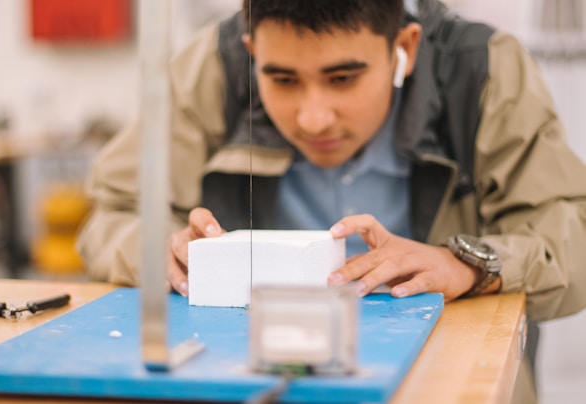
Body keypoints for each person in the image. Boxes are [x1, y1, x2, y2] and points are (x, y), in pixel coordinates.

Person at [77, 0, 586, 402]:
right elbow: (113, 215)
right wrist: (163, 254)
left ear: (404, 47)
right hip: (248, 374)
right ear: (253, 51)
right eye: (282, 79)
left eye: (343, 78)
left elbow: (572, 240)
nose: (313, 118)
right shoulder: (213, 65)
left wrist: (465, 263)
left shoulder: (485, 70)